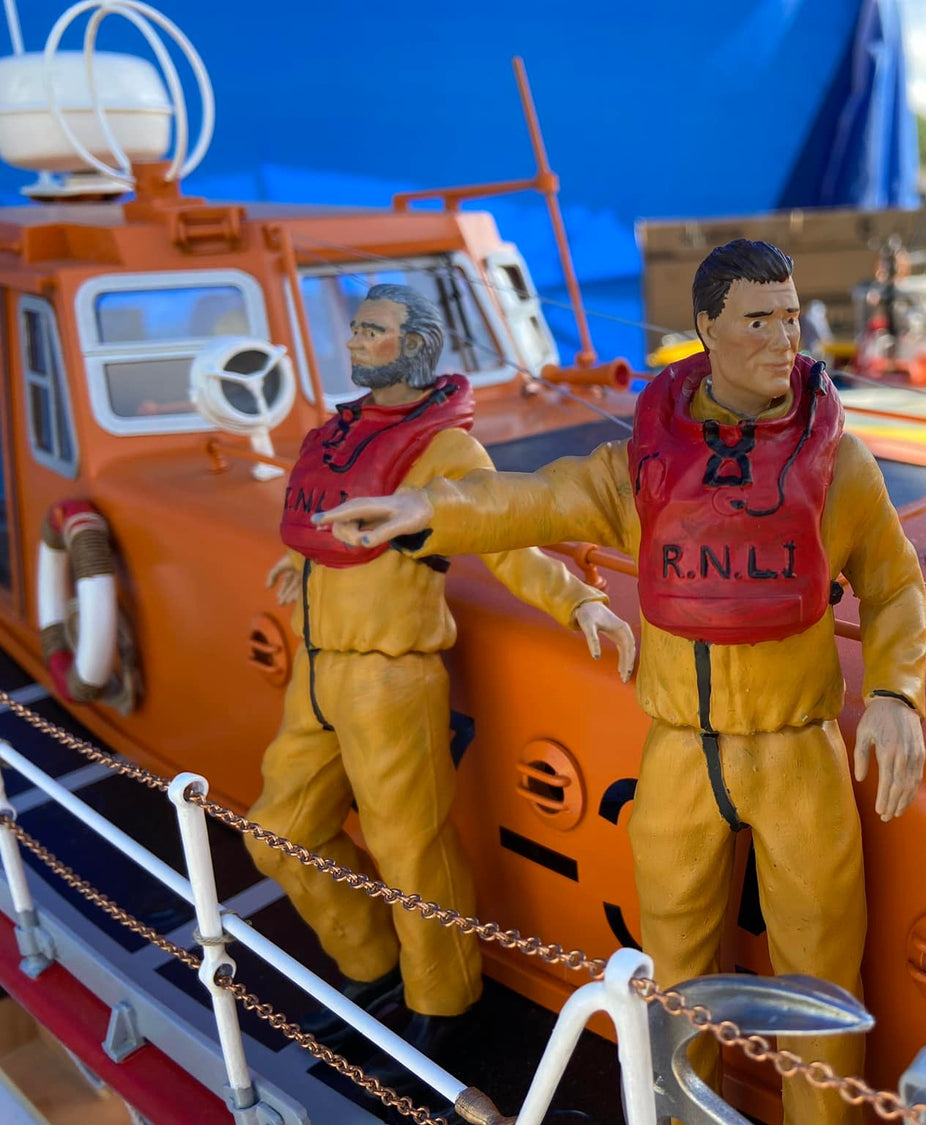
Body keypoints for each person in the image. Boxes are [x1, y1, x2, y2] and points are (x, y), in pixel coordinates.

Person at [314, 242, 926, 1125]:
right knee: (673, 962)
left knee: (822, 974)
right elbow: (539, 498)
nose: (782, 340)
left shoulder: (837, 463)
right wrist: (426, 508)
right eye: (758, 319)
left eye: (791, 317)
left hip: (800, 751)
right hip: (679, 748)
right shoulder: (648, 459)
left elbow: (897, 583)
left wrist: (898, 691)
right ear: (707, 329)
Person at [255, 283, 636, 1081]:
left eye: (374, 330)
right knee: (276, 828)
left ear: (417, 344)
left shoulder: (444, 452)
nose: (356, 340)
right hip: (319, 665)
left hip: (390, 671)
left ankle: (442, 1000)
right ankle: (372, 963)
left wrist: (580, 601)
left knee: (411, 848)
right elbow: (329, 516)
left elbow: (508, 539)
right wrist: (301, 558)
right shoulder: (340, 435)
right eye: (356, 327)